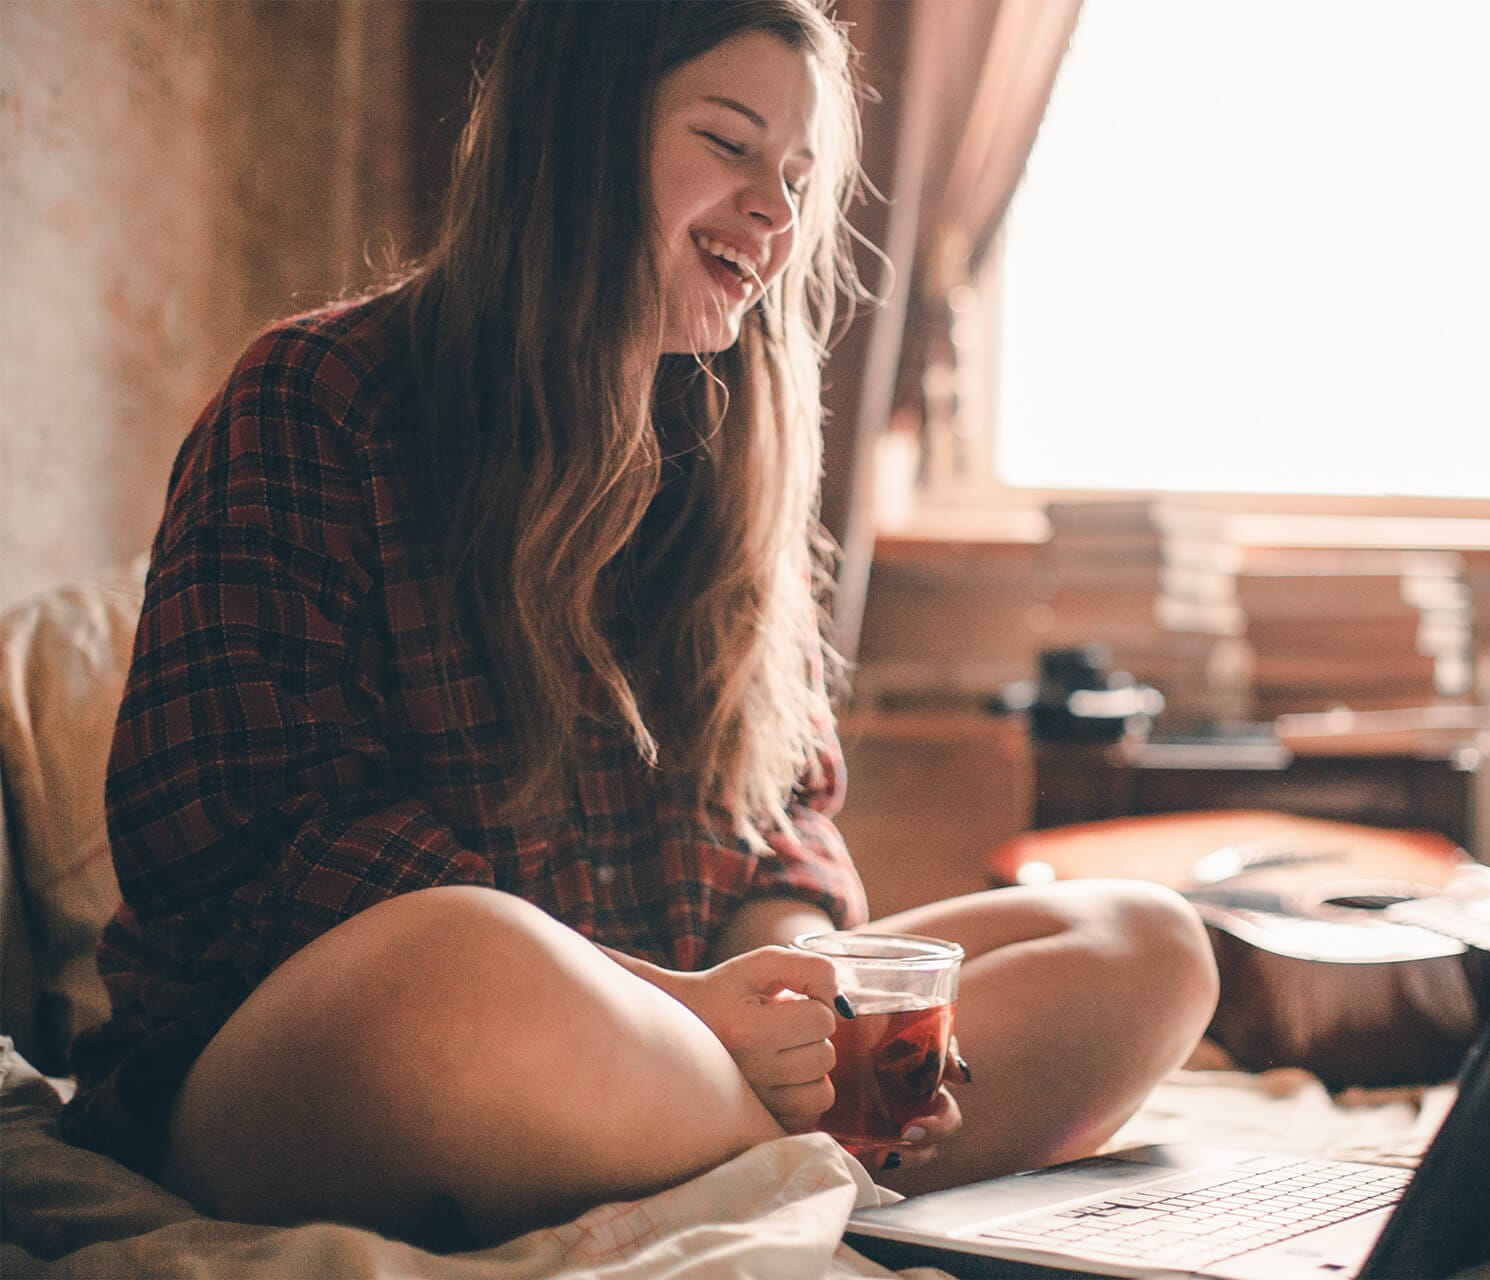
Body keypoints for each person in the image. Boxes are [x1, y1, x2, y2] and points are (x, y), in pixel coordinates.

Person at [60, 0, 1219, 1250]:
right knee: (470, 961)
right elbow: (245, 855)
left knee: (1149, 942)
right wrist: (677, 1003)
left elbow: (782, 820)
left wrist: (801, 984)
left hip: (665, 1042)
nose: (776, 212)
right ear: (578, 134)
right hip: (332, 1063)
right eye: (729, 144)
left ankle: (753, 1144)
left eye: (797, 175)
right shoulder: (313, 399)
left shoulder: (729, 453)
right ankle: (819, 1153)